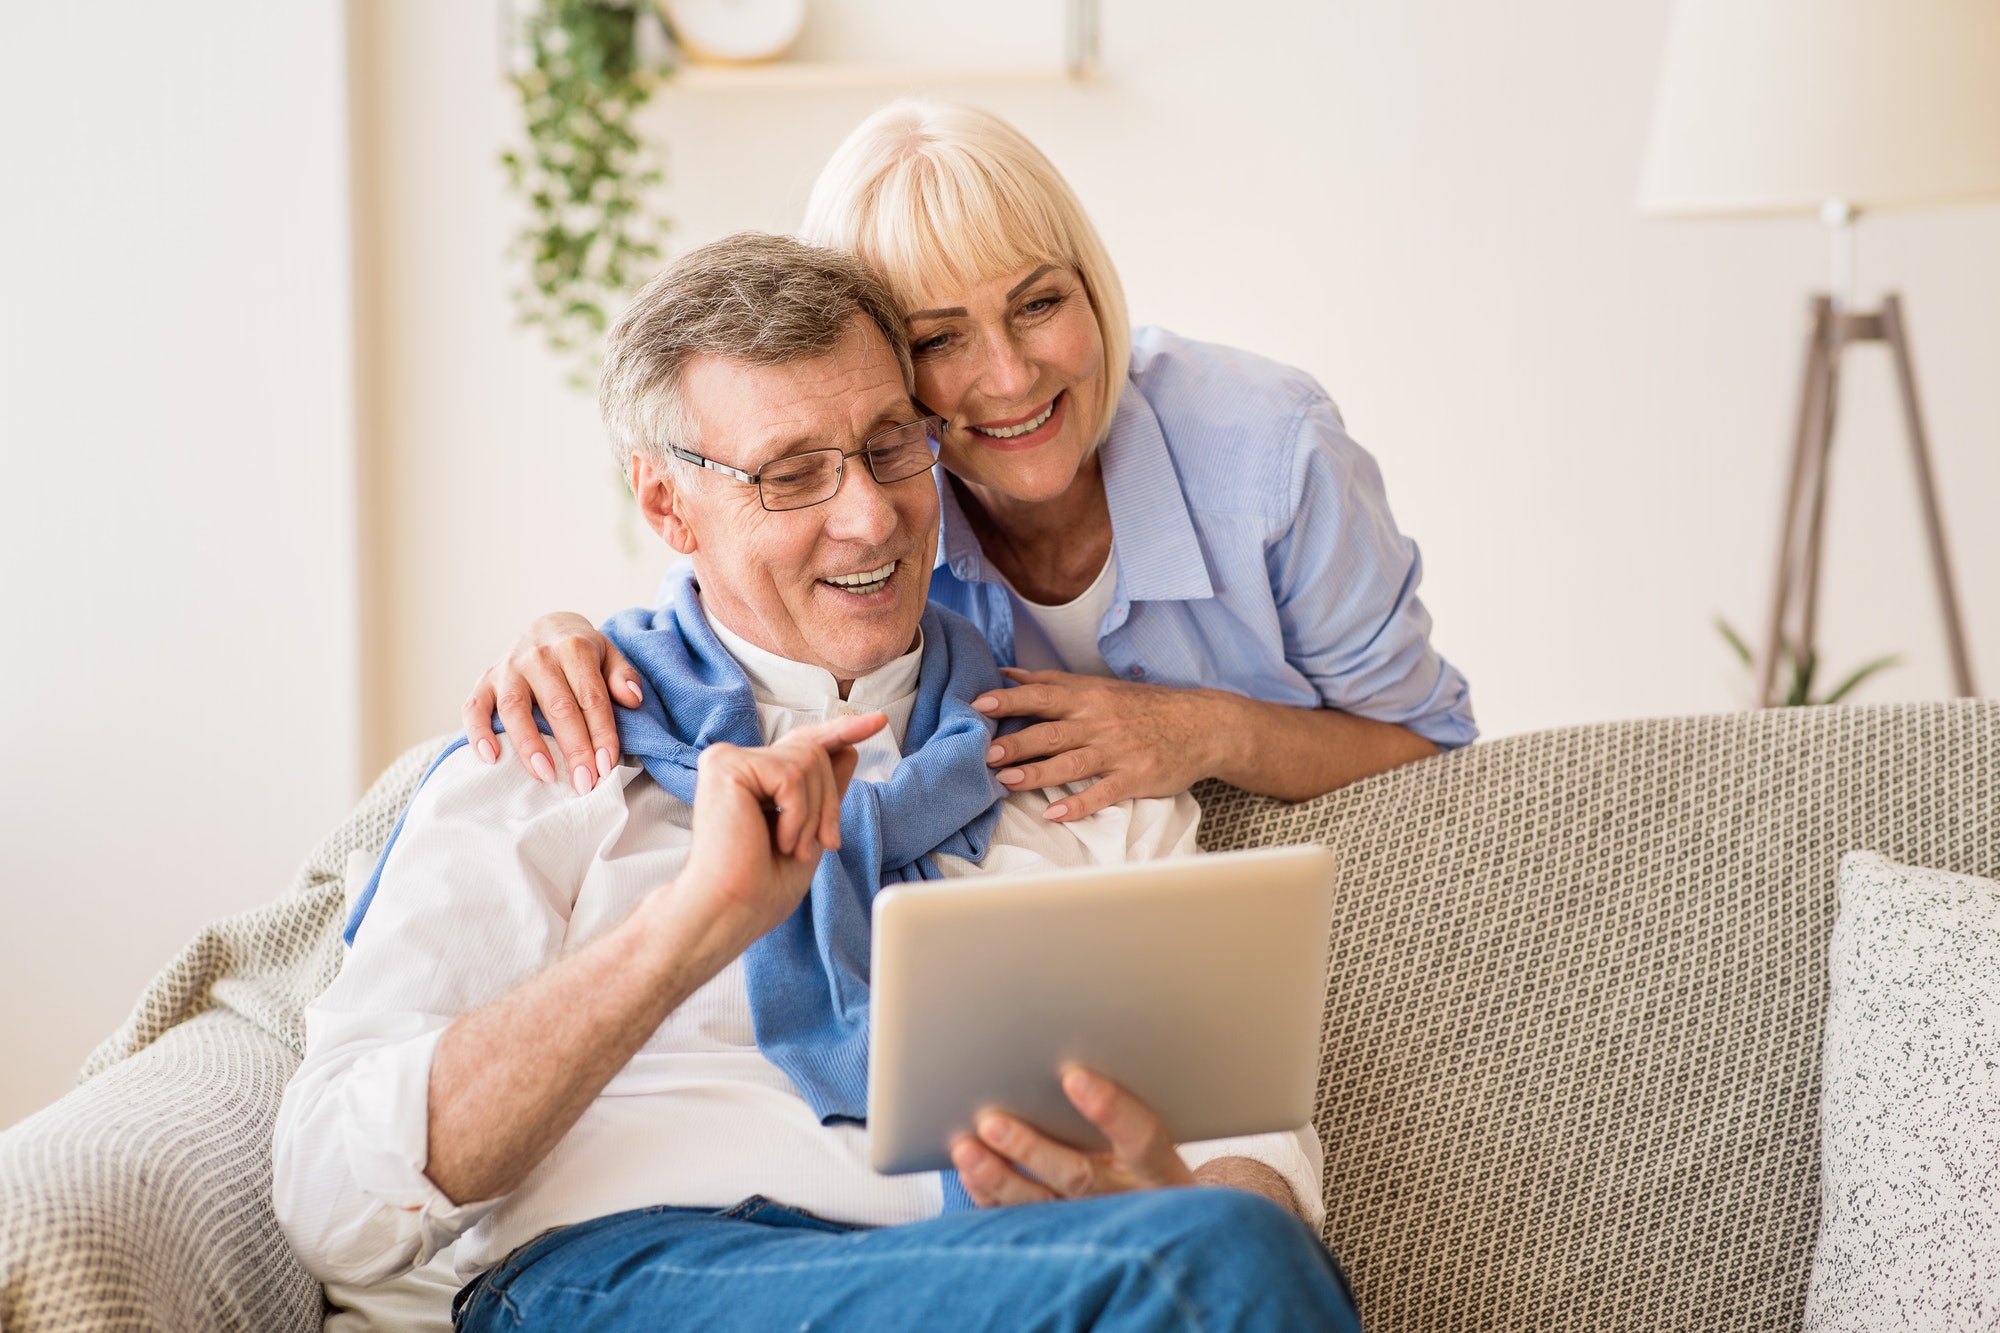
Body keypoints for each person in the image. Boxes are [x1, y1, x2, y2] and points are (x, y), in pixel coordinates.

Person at [274, 235, 1359, 1330]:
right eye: (791, 473)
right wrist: (690, 926)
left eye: (892, 446)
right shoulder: (552, 751)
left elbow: (1248, 1154)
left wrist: (1161, 1198)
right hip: (626, 1274)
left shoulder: (1071, 763)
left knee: (1220, 1250)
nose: (871, 516)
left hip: (1017, 1278)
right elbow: (332, 1203)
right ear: (666, 507)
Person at [464, 100, 1475, 824]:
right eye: (938, 338)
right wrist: (563, 637)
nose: (1007, 376)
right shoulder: (878, 499)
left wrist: (1204, 731)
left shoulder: (1270, 449)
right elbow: (725, 604)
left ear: (1092, 286)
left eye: (1038, 302)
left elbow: (1435, 749)